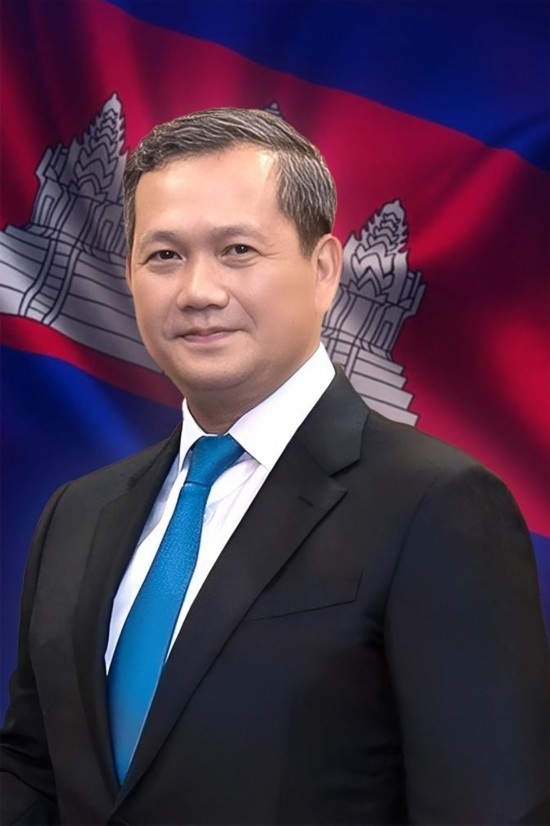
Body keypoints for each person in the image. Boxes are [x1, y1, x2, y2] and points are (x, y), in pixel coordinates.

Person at [1, 108, 548, 825]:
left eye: (237, 250)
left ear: (323, 271)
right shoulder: (76, 515)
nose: (198, 290)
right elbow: (34, 771)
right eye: (164, 255)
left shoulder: (437, 507)